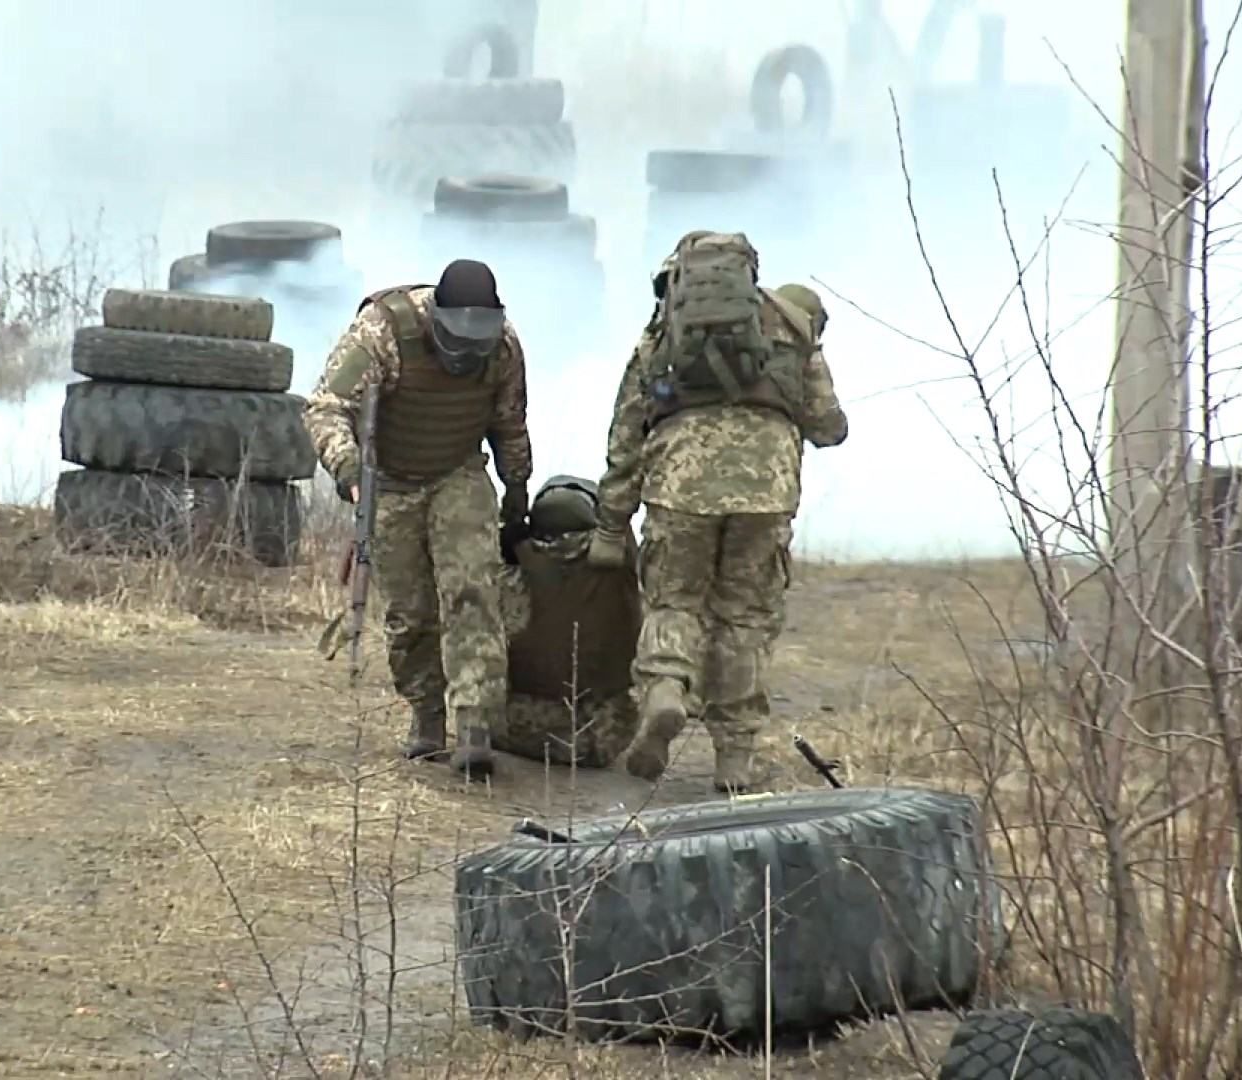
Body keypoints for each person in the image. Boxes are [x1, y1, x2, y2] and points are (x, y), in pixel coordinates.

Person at [589, 232, 848, 793]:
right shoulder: (790, 326)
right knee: (744, 618)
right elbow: (829, 426)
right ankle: (735, 757)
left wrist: (612, 522)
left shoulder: (661, 335)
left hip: (679, 485)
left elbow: (625, 437)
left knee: (673, 599)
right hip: (766, 492)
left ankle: (665, 690)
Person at [303, 258, 533, 779]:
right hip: (389, 483)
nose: (467, 353)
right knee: (411, 614)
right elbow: (325, 406)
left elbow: (509, 421)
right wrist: (346, 468)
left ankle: (474, 723)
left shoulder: (502, 346)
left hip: (459, 474)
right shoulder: (383, 331)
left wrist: (517, 489)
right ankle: (427, 715)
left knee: (473, 593)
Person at [493, 475, 658, 775]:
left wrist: (512, 541)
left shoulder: (514, 564)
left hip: (520, 725)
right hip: (604, 734)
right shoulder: (621, 557)